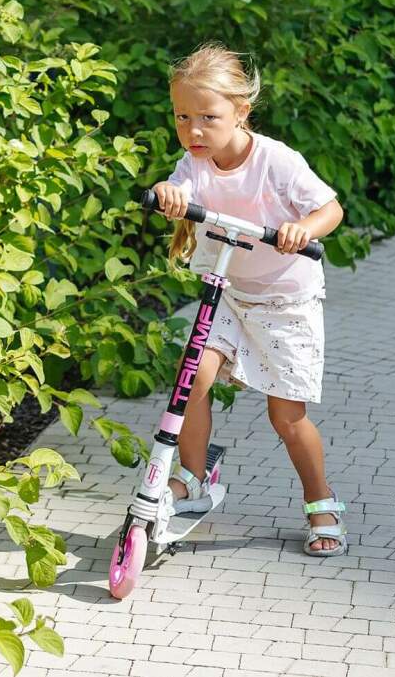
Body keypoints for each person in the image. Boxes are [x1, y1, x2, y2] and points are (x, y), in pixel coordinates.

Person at [150, 43, 349, 556]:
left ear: (241, 112)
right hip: (230, 294)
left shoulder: (276, 161)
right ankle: (194, 478)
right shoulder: (193, 163)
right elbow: (175, 190)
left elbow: (331, 209)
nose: (194, 131)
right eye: (182, 117)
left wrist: (301, 229)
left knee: (286, 416)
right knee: (192, 381)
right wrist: (168, 195)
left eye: (208, 118)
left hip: (286, 304)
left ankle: (319, 499)